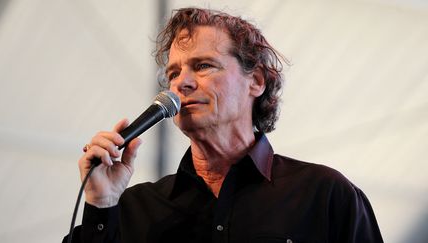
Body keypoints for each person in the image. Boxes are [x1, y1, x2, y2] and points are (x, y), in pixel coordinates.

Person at [64, 7, 383, 243]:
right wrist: (101, 206)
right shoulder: (133, 209)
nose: (180, 84)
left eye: (202, 66)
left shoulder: (323, 195)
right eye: (173, 73)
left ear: (255, 81)